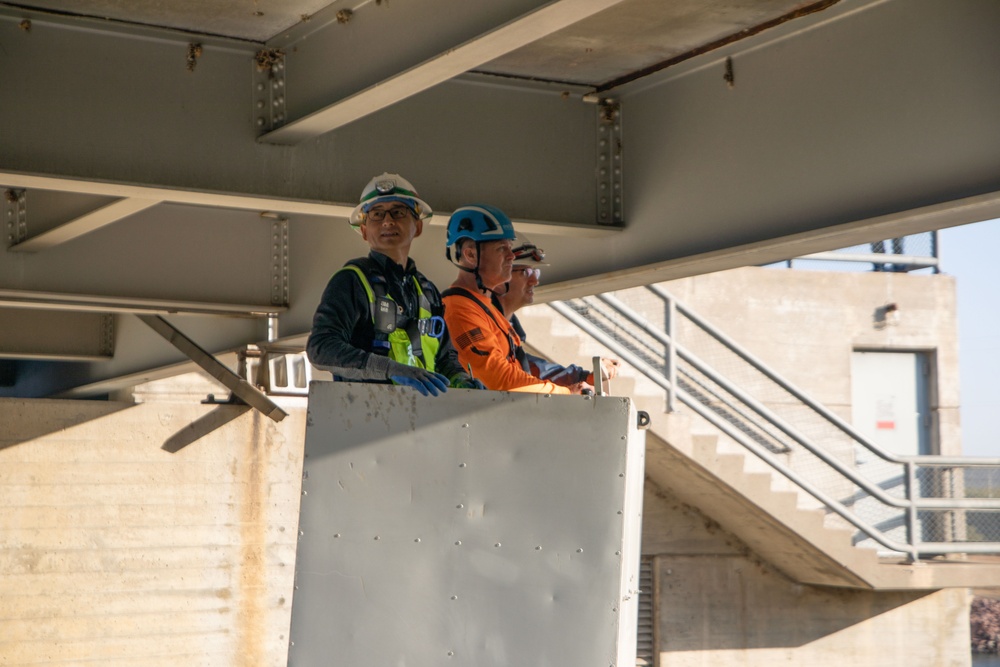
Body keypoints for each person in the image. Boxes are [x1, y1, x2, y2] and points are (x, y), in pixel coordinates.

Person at [307, 173, 478, 396]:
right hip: (364, 418)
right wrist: (389, 369)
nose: (388, 221)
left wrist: (460, 379)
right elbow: (321, 348)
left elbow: (445, 358)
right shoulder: (352, 281)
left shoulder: (426, 291)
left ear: (418, 226)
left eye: (398, 212)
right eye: (377, 215)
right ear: (364, 231)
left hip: (424, 418)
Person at [441, 205, 586, 395]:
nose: (511, 256)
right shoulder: (459, 310)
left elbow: (518, 370)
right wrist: (564, 393)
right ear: (470, 255)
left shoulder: (486, 309)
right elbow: (500, 379)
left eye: (510, 247)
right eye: (502, 248)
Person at [496, 235, 621, 390]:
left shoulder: (507, 331)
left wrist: (584, 378)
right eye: (527, 272)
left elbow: (528, 367)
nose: (535, 281)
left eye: (536, 272)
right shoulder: (477, 324)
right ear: (500, 276)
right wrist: (566, 391)